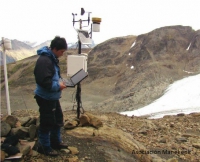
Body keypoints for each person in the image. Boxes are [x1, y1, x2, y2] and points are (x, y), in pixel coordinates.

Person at [34, 36, 68, 156]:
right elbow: (44, 81)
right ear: (55, 48)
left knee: (57, 120)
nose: (62, 54)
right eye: (61, 52)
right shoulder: (45, 60)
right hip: (45, 97)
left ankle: (55, 142)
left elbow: (53, 77)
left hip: (52, 97)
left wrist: (61, 82)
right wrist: (58, 86)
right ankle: (44, 147)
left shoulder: (51, 58)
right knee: (47, 122)